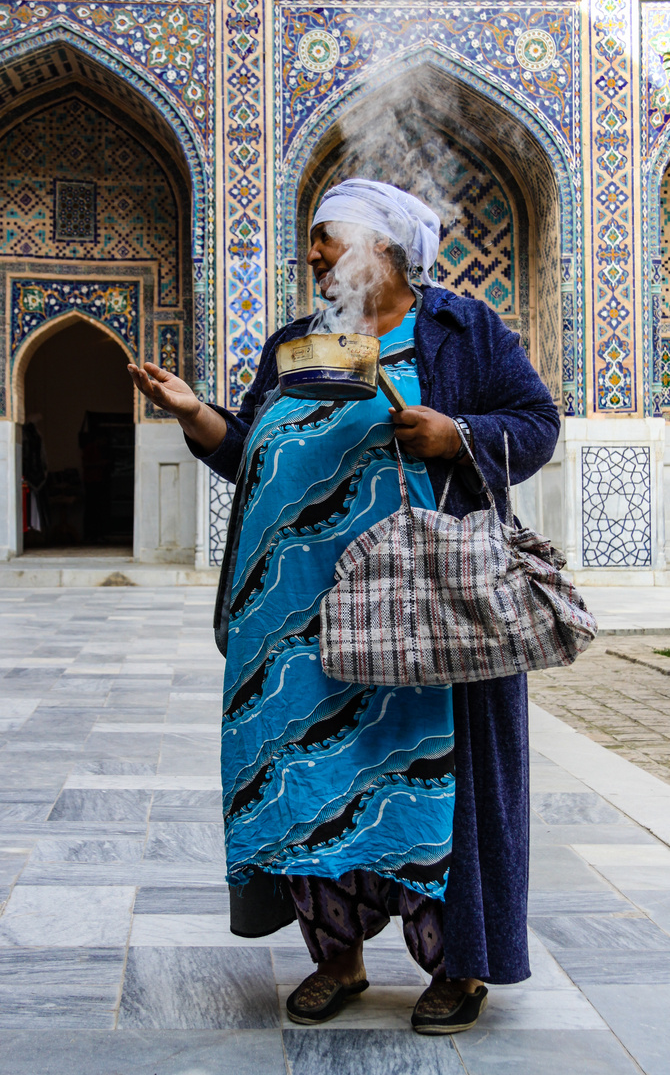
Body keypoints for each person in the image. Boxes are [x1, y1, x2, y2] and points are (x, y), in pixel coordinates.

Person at [128, 178, 560, 1034]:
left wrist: (455, 435)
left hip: (423, 612)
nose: (315, 254)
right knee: (318, 777)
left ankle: (457, 969)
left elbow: (535, 423)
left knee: (424, 778)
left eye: (328, 238)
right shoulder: (299, 342)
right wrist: (195, 416)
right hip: (300, 623)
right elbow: (253, 451)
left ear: (384, 249)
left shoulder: (459, 330)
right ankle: (339, 958)